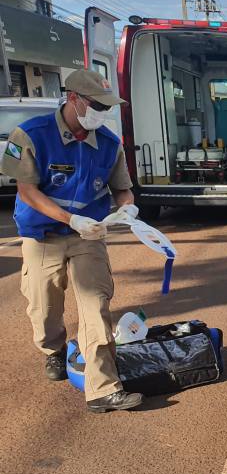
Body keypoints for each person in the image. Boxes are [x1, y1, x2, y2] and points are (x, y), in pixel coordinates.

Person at [1, 69, 142, 413]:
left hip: (88, 237)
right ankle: (53, 350)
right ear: (74, 98)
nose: (102, 113)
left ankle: (103, 389)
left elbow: (122, 188)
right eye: (97, 105)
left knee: (95, 307)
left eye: (106, 107)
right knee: (43, 306)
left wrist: (127, 208)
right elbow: (26, 190)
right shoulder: (31, 135)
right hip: (42, 235)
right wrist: (69, 218)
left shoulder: (108, 144)